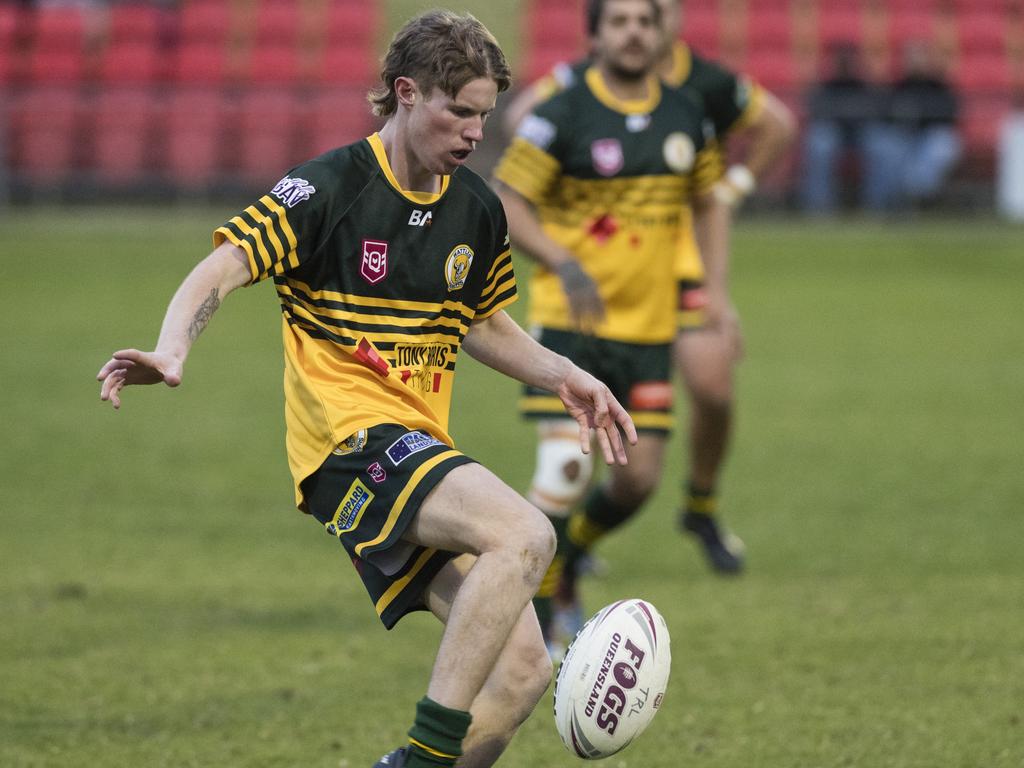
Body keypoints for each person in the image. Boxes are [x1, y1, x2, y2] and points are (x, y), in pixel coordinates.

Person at [96, 11, 636, 768]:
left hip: (415, 451)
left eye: (483, 114)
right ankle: (424, 752)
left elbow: (478, 322)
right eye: (458, 111)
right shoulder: (328, 188)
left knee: (520, 674)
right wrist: (171, 346)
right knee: (526, 534)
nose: (475, 131)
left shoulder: (476, 207)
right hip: (348, 445)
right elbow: (221, 266)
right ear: (405, 93)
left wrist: (567, 374)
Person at [500, 0, 795, 605]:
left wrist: (714, 290)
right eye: (619, 22)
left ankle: (568, 561)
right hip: (570, 322)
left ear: (664, 32)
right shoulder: (563, 109)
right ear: (596, 35)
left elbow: (709, 202)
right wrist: (562, 259)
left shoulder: (687, 112)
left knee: (636, 482)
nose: (633, 33)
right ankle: (530, 605)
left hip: (649, 328)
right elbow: (507, 199)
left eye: (644, 21)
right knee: (566, 471)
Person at [861, 39, 961, 211]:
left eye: (920, 58)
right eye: (912, 59)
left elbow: (950, 117)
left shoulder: (939, 87)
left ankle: (918, 195)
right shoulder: (897, 87)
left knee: (942, 145)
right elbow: (884, 115)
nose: (916, 63)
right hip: (902, 136)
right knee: (883, 143)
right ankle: (882, 204)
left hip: (930, 137)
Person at [800, 42, 884, 213]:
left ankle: (879, 207)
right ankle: (819, 207)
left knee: (884, 145)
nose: (846, 64)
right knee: (819, 143)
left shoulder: (865, 86)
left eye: (849, 60)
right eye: (842, 60)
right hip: (833, 133)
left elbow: (877, 111)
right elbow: (816, 111)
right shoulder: (825, 87)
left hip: (861, 133)